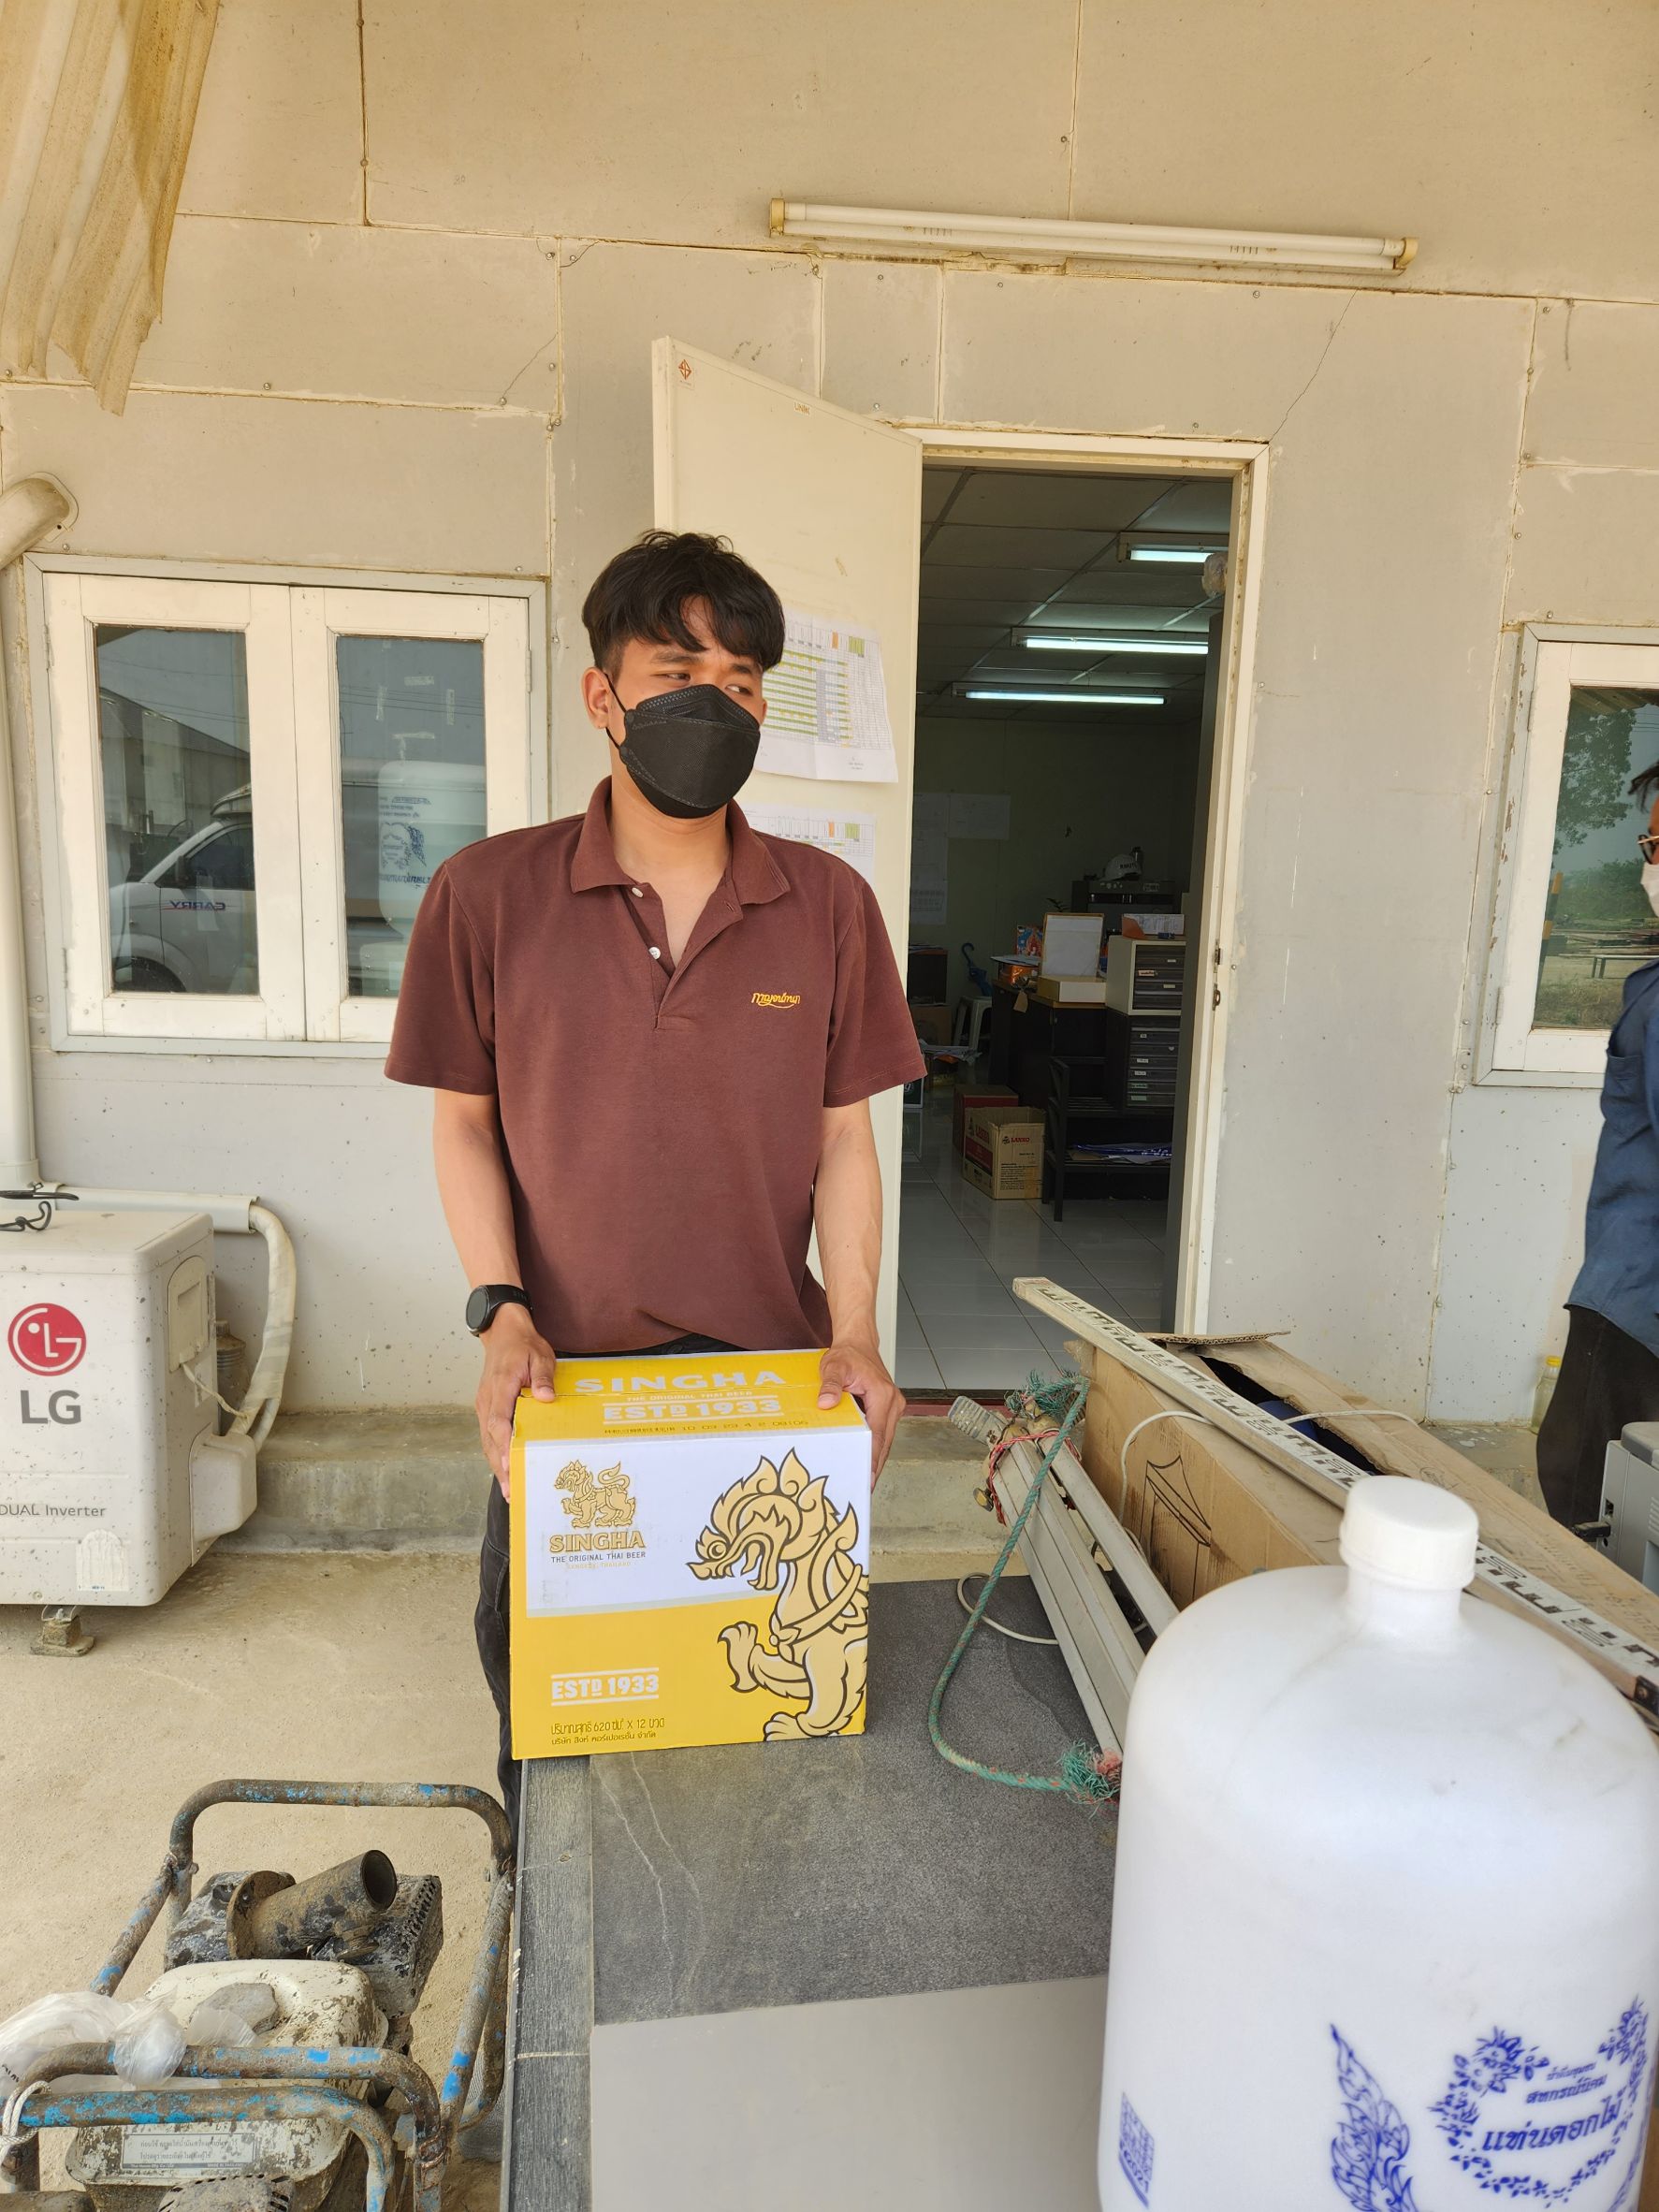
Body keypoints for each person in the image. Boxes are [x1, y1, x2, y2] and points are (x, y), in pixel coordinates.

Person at [386, 529, 923, 1831]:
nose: (714, 705)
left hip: (766, 1377)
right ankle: (546, 1896)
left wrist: (855, 1333)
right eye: (679, 672)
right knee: (552, 1684)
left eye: (741, 682)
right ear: (603, 694)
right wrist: (499, 1311)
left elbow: (845, 1139)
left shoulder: (829, 905)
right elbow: (465, 1125)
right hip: (565, 1382)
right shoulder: (486, 895)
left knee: (759, 1688)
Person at [1537, 756, 1659, 1531]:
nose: (1649, 864)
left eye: (1658, 845)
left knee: (1590, 1501)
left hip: (1636, 1302)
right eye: (1648, 846)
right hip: (1631, 1292)